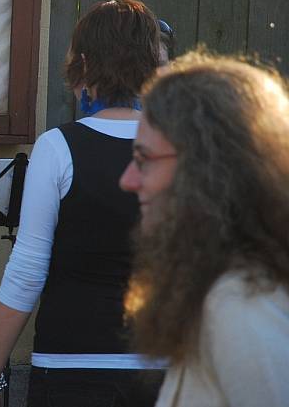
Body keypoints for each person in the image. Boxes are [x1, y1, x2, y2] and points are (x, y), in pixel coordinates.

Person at [0, 0, 165, 407]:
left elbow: (26, 272)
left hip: (70, 366)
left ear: (84, 63)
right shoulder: (184, 148)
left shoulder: (58, 147)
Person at [120, 53, 289, 406]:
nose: (128, 180)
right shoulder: (219, 289)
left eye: (143, 160)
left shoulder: (239, 307)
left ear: (207, 170)